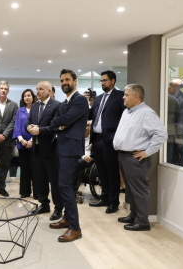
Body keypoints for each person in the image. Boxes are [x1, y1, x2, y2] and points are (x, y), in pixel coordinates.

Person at [113, 84, 167, 231]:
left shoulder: (146, 113)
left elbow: (161, 134)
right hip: (124, 156)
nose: (123, 97)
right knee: (130, 190)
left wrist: (148, 152)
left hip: (136, 157)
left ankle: (142, 221)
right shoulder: (127, 112)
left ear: (135, 96)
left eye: (126, 94)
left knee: (139, 190)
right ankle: (133, 215)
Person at [49, 69, 89, 242]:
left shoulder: (80, 100)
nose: (64, 82)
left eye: (67, 79)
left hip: (71, 149)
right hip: (61, 148)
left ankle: (75, 228)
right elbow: (54, 123)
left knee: (64, 185)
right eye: (62, 80)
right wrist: (60, 123)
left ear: (75, 81)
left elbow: (62, 120)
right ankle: (67, 218)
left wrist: (60, 122)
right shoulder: (64, 103)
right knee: (67, 186)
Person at [88, 71, 125, 214]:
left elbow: (124, 119)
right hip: (96, 139)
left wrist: (117, 136)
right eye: (101, 81)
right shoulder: (98, 99)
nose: (102, 83)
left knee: (112, 172)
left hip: (110, 140)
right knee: (101, 171)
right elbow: (91, 115)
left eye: (105, 80)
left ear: (113, 81)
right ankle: (104, 197)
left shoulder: (120, 96)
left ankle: (113, 201)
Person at [26, 81, 63, 221]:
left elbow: (56, 126)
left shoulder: (57, 105)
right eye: (37, 89)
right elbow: (27, 122)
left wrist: (40, 130)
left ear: (49, 91)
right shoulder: (35, 106)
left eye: (41, 89)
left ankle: (58, 208)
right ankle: (44, 204)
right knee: (40, 178)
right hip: (36, 148)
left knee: (54, 180)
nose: (38, 91)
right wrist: (29, 128)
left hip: (51, 149)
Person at [13, 89, 37, 198]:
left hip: (34, 144)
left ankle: (37, 192)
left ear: (33, 97)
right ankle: (24, 192)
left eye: (29, 95)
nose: (27, 97)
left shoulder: (36, 110)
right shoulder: (20, 111)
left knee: (35, 169)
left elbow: (38, 126)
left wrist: (32, 140)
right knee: (24, 169)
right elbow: (16, 127)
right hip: (22, 144)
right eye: (25, 96)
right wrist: (21, 140)